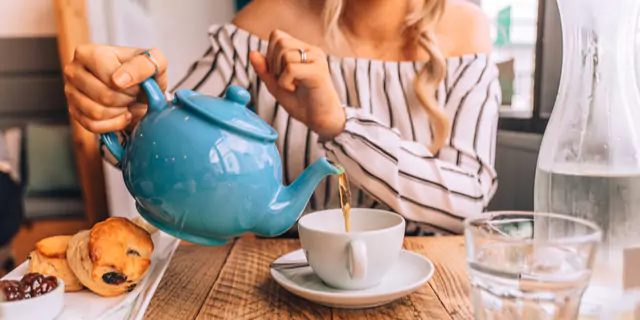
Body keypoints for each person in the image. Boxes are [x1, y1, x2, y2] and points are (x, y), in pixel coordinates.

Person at [63, 0, 500, 235]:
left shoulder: (468, 32)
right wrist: (133, 113)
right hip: (260, 281)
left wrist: (338, 123)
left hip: (424, 284)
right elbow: (168, 150)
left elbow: (468, 203)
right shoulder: (258, 25)